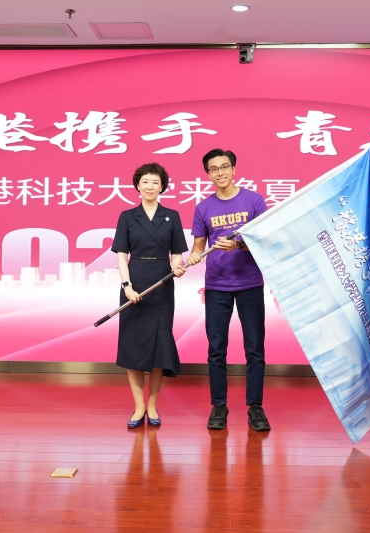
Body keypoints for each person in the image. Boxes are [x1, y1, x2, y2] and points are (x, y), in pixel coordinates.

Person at [187, 148, 270, 432]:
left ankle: (255, 407)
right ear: (208, 174)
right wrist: (193, 257)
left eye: (224, 167)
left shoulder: (254, 201)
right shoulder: (203, 208)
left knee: (255, 349)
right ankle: (219, 406)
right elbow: (198, 247)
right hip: (217, 286)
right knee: (216, 350)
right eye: (213, 169)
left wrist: (238, 244)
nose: (219, 173)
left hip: (250, 284)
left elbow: (265, 240)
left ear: (234, 169)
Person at [111, 163, 188, 429]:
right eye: (145, 181)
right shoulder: (127, 216)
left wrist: (177, 267)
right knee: (134, 346)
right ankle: (138, 407)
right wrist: (127, 286)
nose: (150, 186)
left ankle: (152, 405)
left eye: (155, 182)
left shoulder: (172, 216)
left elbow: (177, 253)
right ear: (137, 185)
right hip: (134, 283)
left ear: (162, 186)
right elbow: (122, 255)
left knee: (159, 346)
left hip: (162, 284)